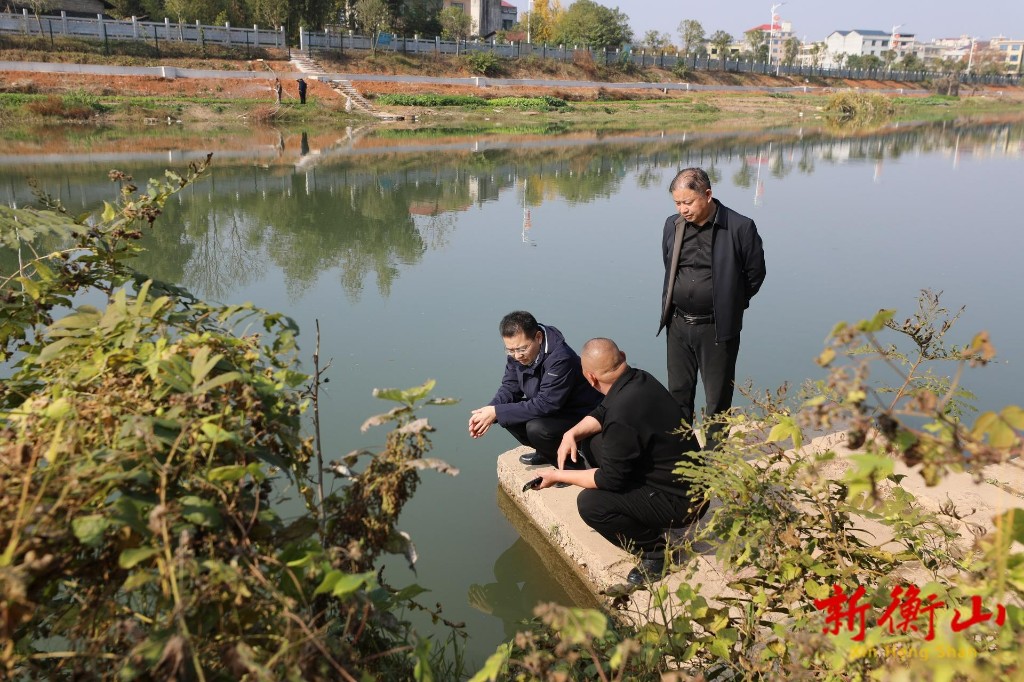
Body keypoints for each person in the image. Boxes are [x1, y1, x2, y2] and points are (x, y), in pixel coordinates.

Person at [533, 338, 707, 586]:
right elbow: (602, 412)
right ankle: (644, 516)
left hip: (684, 504)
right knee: (591, 441)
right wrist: (570, 434)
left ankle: (656, 554)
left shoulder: (622, 415)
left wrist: (557, 475)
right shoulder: (638, 379)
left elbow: (608, 480)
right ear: (622, 356)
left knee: (592, 504)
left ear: (590, 378)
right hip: (681, 481)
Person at [658, 167, 766, 449]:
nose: (682, 209)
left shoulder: (739, 227)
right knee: (678, 392)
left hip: (716, 327)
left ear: (707, 194)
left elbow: (755, 274)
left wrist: (731, 303)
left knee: (717, 397)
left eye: (688, 202)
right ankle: (681, 453)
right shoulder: (672, 225)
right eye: (677, 203)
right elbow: (669, 264)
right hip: (678, 323)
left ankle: (714, 458)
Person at [469, 311, 602, 473]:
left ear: (538, 337)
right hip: (551, 407)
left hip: (579, 413)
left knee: (536, 428)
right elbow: (510, 386)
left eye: (522, 349)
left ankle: (571, 467)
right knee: (506, 415)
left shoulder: (561, 358)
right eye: (510, 350)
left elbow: (546, 404)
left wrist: (497, 412)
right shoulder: (517, 352)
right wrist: (488, 411)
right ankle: (547, 452)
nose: (517, 356)